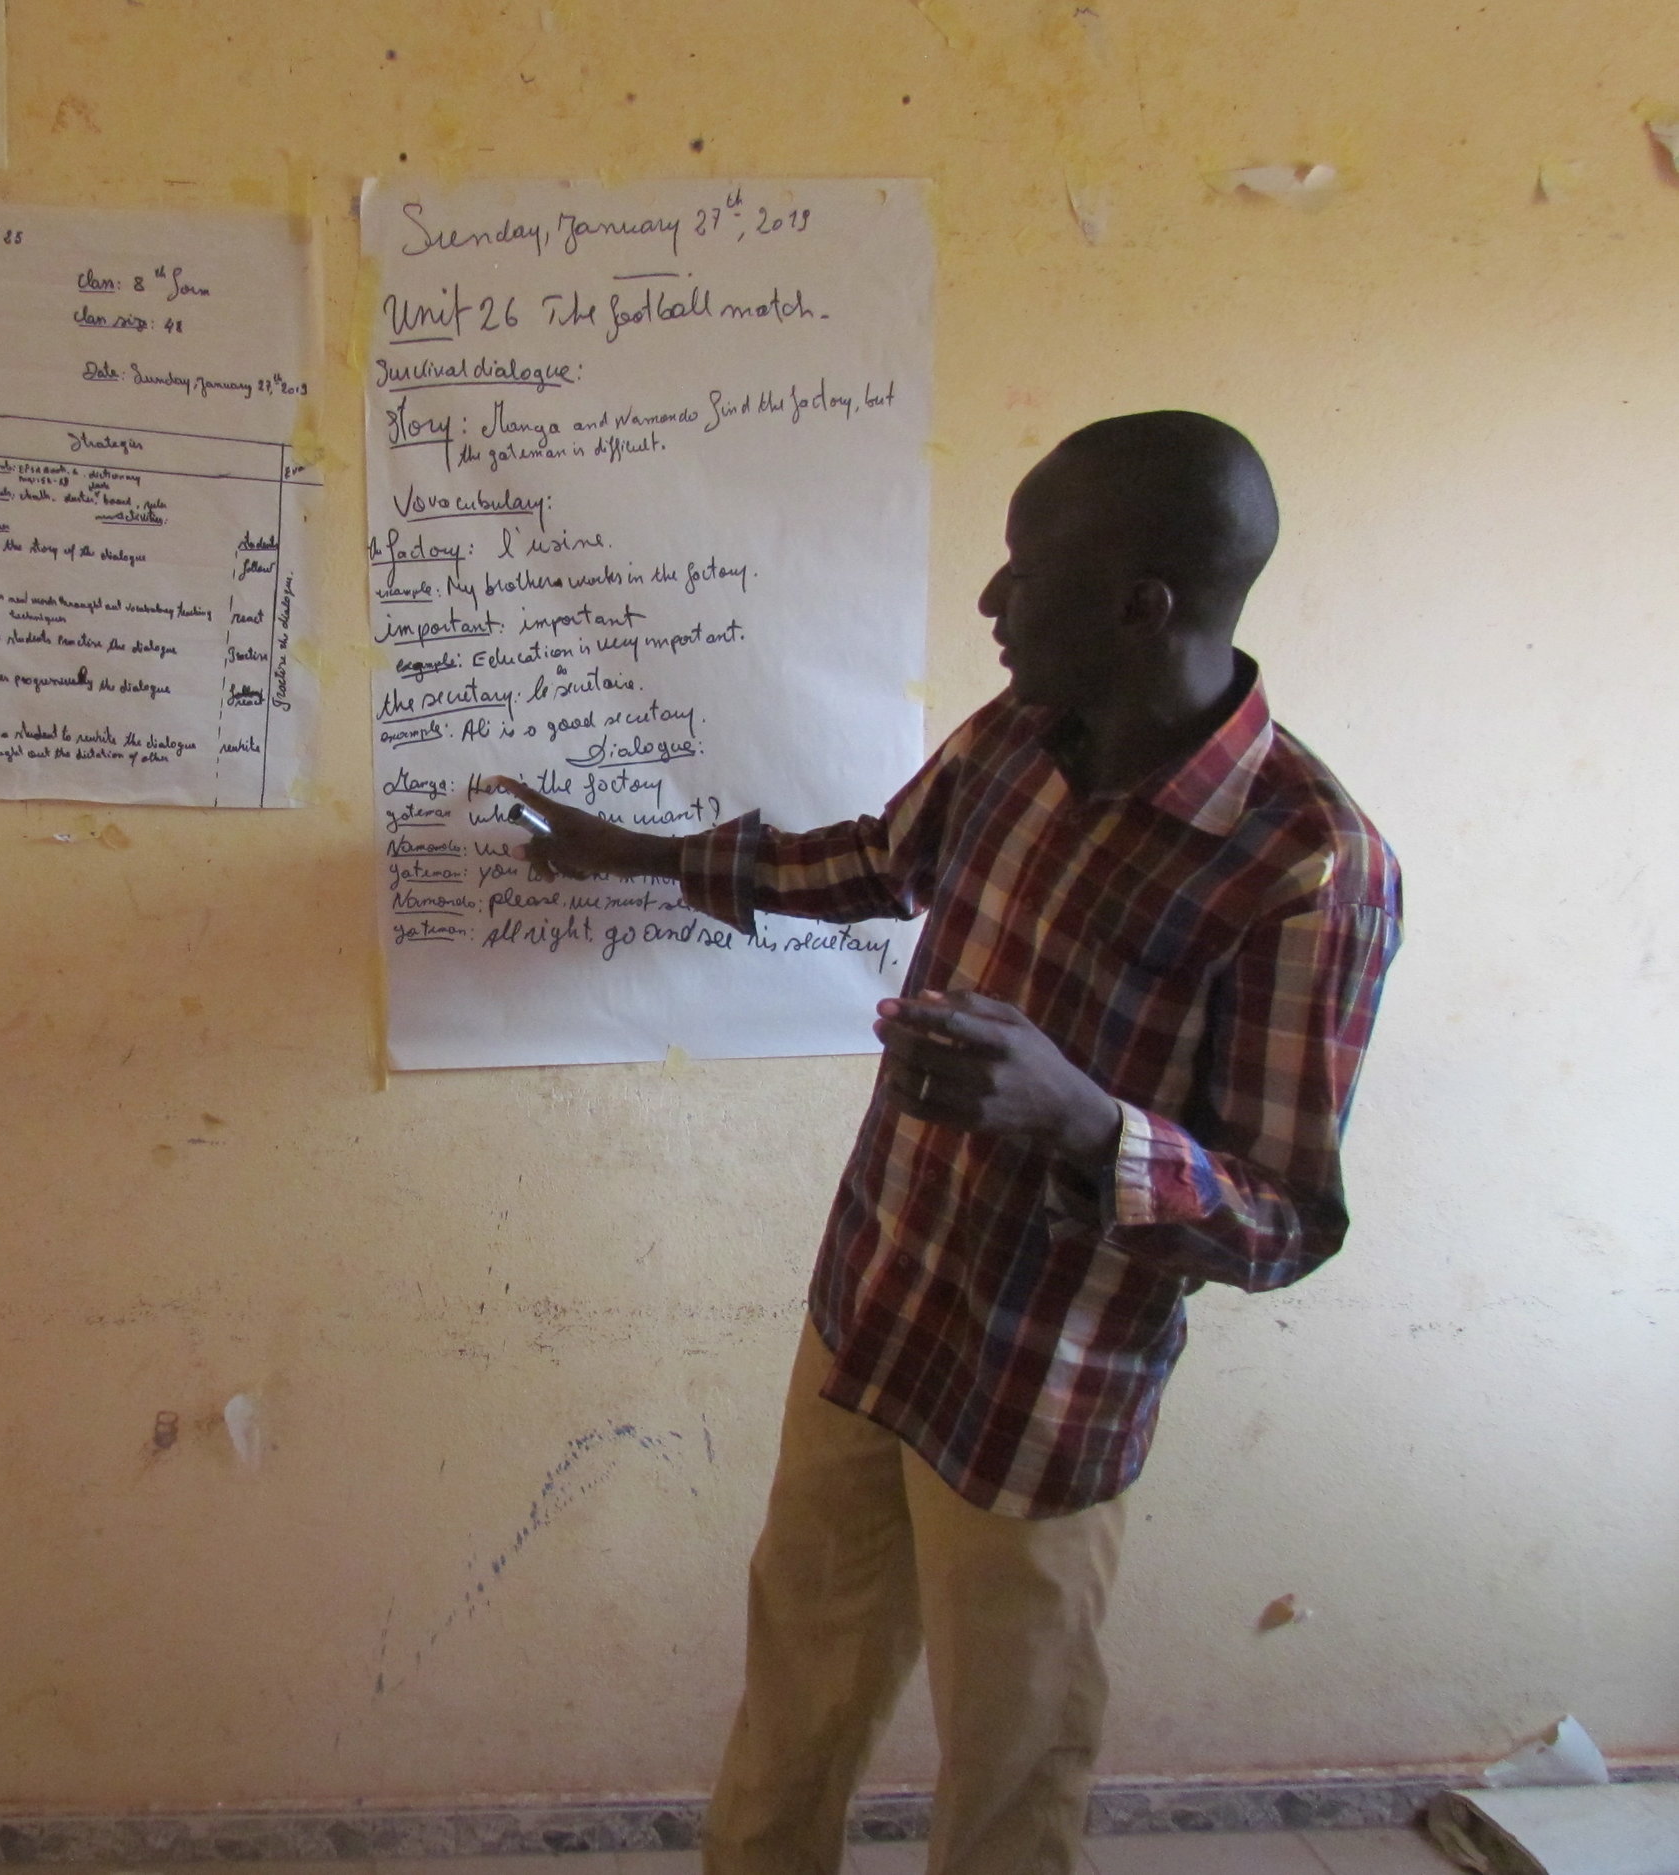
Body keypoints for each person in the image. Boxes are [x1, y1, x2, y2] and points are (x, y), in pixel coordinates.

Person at [492, 411, 1401, 1875]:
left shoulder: (1310, 864)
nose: (990, 603)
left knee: (1011, 1765)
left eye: (1023, 569)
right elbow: (875, 860)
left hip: (1047, 1388)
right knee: (798, 1694)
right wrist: (641, 854)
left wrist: (1084, 1120)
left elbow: (1286, 1217)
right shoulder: (1021, 740)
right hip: (875, 1306)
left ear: (1141, 604)